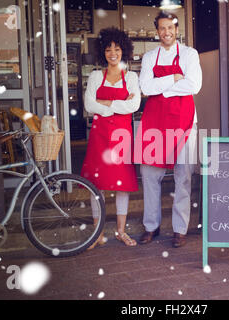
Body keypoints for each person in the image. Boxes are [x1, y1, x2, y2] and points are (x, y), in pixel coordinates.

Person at [136, 11, 202, 248]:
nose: (166, 32)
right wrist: (174, 78)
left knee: (182, 177)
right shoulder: (149, 57)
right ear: (157, 32)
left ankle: (179, 229)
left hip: (184, 121)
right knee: (150, 175)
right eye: (162, 28)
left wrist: (160, 88)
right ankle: (151, 227)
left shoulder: (189, 54)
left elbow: (194, 85)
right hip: (155, 121)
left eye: (170, 28)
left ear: (176, 29)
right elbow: (144, 86)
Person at [81, 27, 141, 247]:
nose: (112, 53)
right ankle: (98, 233)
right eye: (108, 49)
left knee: (122, 184)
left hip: (121, 136)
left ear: (123, 50)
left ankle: (120, 231)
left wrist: (105, 104)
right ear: (102, 52)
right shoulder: (96, 75)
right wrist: (118, 106)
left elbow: (134, 105)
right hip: (100, 136)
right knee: (97, 184)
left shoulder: (132, 76)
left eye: (116, 48)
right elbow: (88, 105)